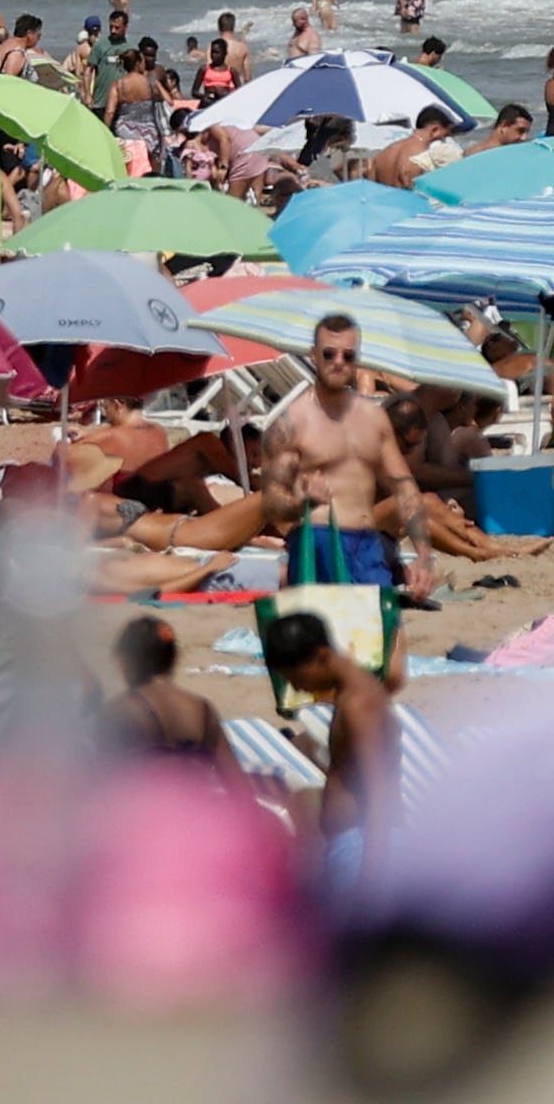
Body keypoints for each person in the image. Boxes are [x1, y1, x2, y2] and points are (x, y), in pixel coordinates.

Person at [259, 307, 425, 585]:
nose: (338, 362)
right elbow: (272, 504)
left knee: (384, 628)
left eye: (348, 356)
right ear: (314, 355)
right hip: (318, 543)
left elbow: (404, 486)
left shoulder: (374, 419)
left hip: (367, 546)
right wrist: (301, 502)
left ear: (357, 360)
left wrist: (423, 555)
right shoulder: (291, 425)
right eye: (328, 354)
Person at [270, 605, 396, 882]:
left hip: (360, 851)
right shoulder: (355, 695)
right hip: (353, 845)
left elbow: (378, 788)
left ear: (321, 656)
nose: (298, 688)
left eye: (297, 678)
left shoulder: (359, 705)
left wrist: (371, 876)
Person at [114, 614, 229, 759]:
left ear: (128, 662)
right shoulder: (202, 710)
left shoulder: (120, 711)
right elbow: (234, 777)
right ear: (173, 659)